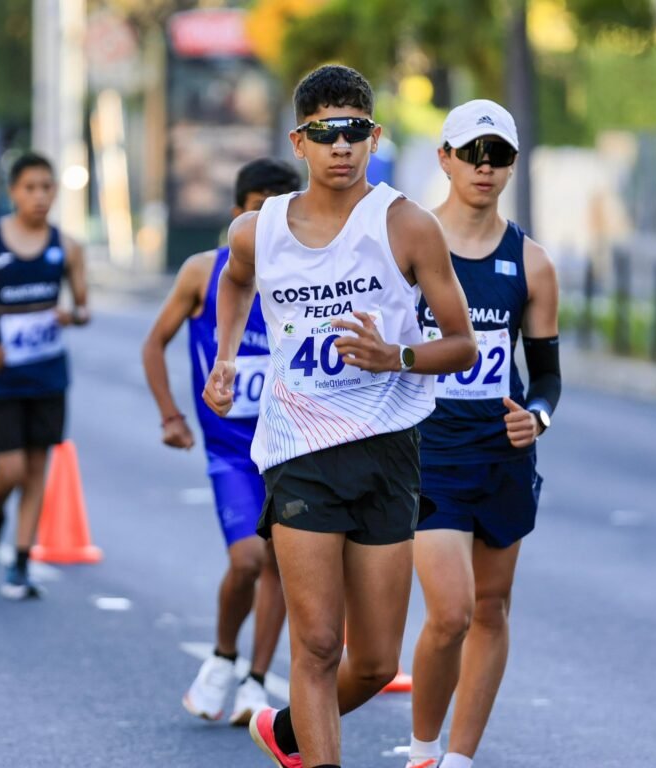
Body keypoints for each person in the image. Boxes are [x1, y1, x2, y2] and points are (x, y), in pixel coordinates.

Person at [202, 64, 478, 768]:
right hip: (300, 450)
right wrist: (227, 357)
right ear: (300, 142)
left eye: (355, 130)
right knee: (318, 644)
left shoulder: (404, 224)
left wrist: (398, 358)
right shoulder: (257, 230)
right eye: (326, 133)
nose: (342, 146)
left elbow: (461, 342)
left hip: (387, 447)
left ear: (374, 135)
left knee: (376, 662)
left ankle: (287, 729)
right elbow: (231, 284)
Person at [404, 101, 561, 768]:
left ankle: (460, 760)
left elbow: (547, 376)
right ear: (445, 158)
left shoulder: (532, 263)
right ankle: (421, 749)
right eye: (472, 153)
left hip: (501, 454)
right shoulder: (407, 243)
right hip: (428, 453)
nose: (485, 167)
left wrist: (540, 417)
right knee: (451, 613)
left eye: (499, 155)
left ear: (513, 166)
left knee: (492, 607)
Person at [141, 158, 300, 725]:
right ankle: (223, 655)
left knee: (283, 562)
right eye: (258, 209)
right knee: (247, 558)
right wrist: (170, 416)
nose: (268, 222)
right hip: (230, 449)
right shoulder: (202, 273)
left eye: (280, 210)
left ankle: (256, 681)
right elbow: (153, 344)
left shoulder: (305, 278)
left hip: (289, 444)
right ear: (238, 213)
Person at [0, 152, 88, 600]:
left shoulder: (66, 247)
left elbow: (83, 307)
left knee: (35, 469)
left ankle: (21, 562)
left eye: (47, 187)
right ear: (13, 193)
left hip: (47, 373)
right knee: (8, 468)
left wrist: (73, 315)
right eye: (30, 188)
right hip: (1, 372)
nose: (40, 196)